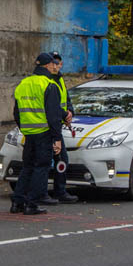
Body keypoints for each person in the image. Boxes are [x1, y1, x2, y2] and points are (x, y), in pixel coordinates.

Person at [10, 52, 64, 215]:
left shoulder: (23, 84)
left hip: (29, 133)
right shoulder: (49, 85)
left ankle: (17, 202)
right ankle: (32, 203)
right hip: (44, 132)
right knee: (42, 167)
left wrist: (24, 128)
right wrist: (57, 138)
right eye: (53, 64)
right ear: (47, 66)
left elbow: (17, 113)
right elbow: (53, 116)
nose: (55, 66)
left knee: (27, 167)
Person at [47, 51, 78, 204]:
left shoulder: (60, 80)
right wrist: (62, 113)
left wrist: (69, 112)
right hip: (49, 126)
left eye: (58, 63)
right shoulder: (47, 81)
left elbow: (67, 100)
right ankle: (46, 192)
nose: (56, 65)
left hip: (57, 125)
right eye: (53, 62)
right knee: (47, 161)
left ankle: (59, 191)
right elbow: (51, 106)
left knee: (61, 159)